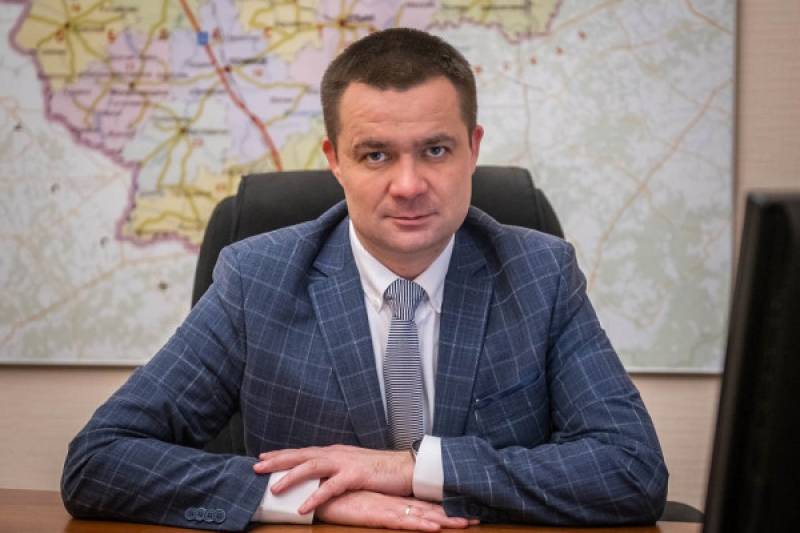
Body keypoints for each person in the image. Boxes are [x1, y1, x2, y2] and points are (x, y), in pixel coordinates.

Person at [61, 28, 668, 531]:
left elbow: (632, 470)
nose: (408, 185)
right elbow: (99, 460)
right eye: (376, 154)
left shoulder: (540, 274)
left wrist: (411, 469)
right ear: (335, 160)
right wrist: (308, 499)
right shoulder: (258, 279)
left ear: (473, 148)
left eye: (435, 150)